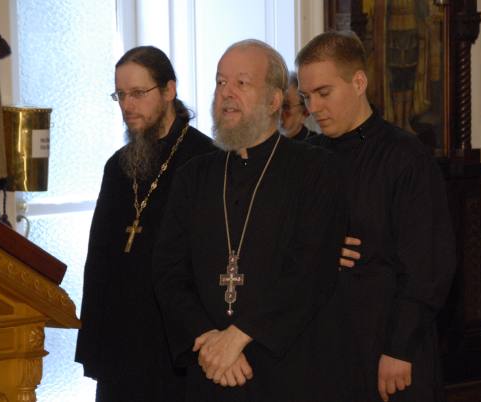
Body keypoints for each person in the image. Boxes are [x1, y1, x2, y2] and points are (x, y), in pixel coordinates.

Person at [152, 39, 351, 402]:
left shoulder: (316, 170)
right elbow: (168, 271)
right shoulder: (193, 176)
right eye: (220, 82)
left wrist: (239, 336)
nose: (226, 93)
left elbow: (311, 270)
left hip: (287, 371)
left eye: (241, 83)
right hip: (210, 370)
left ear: (274, 100)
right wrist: (208, 340)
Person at [296, 31, 455, 402]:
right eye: (305, 97)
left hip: (390, 346)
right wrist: (322, 248)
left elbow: (429, 263)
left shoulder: (405, 156)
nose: (313, 107)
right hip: (324, 345)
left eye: (323, 93)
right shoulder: (306, 159)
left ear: (358, 82)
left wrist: (399, 348)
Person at [75, 46, 215, 401]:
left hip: (176, 344)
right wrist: (94, 347)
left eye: (138, 93)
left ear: (169, 90)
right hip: (121, 344)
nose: (127, 105)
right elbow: (99, 260)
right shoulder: (117, 166)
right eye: (120, 95)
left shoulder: (208, 161)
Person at [279, 72, 317, 141]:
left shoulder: (316, 145)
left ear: (305, 112)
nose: (279, 112)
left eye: (286, 106)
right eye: (277, 104)